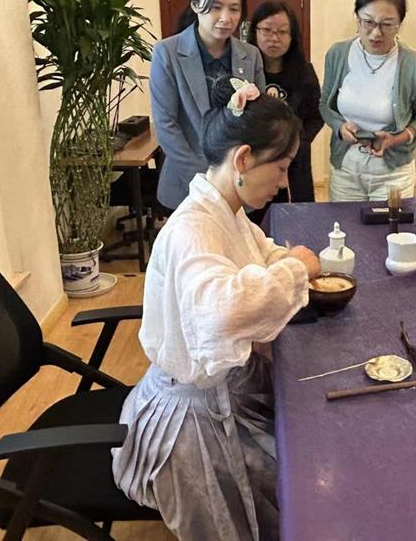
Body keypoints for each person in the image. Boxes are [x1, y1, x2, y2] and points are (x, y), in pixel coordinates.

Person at [112, 75, 320, 541]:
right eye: (281, 168)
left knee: (304, 449)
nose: (284, 182)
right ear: (243, 159)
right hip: (191, 420)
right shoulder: (193, 228)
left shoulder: (225, 211)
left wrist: (287, 261)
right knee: (298, 487)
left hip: (222, 394)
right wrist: (297, 270)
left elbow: (261, 252)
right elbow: (221, 312)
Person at [151, 0, 266, 211]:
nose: (226, 18)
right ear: (195, 4)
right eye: (215, 7)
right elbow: (166, 126)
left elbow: (256, 122)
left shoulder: (251, 55)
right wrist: (208, 182)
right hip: (186, 187)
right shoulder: (167, 53)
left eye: (234, 9)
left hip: (239, 185)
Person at [320, 0, 416, 201]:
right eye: (368, 22)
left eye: (387, 24)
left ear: (399, 24)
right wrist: (339, 127)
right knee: (345, 223)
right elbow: (325, 105)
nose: (376, 33)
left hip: (393, 171)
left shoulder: (414, 64)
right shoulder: (337, 54)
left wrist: (398, 138)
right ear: (357, 18)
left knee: (391, 224)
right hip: (346, 167)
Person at [246, 1, 322, 206]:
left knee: (297, 213)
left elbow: (316, 115)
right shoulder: (244, 71)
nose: (274, 38)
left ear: (292, 36)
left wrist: (295, 144)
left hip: (295, 162)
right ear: (254, 31)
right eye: (267, 30)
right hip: (256, 161)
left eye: (282, 32)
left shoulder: (304, 72)